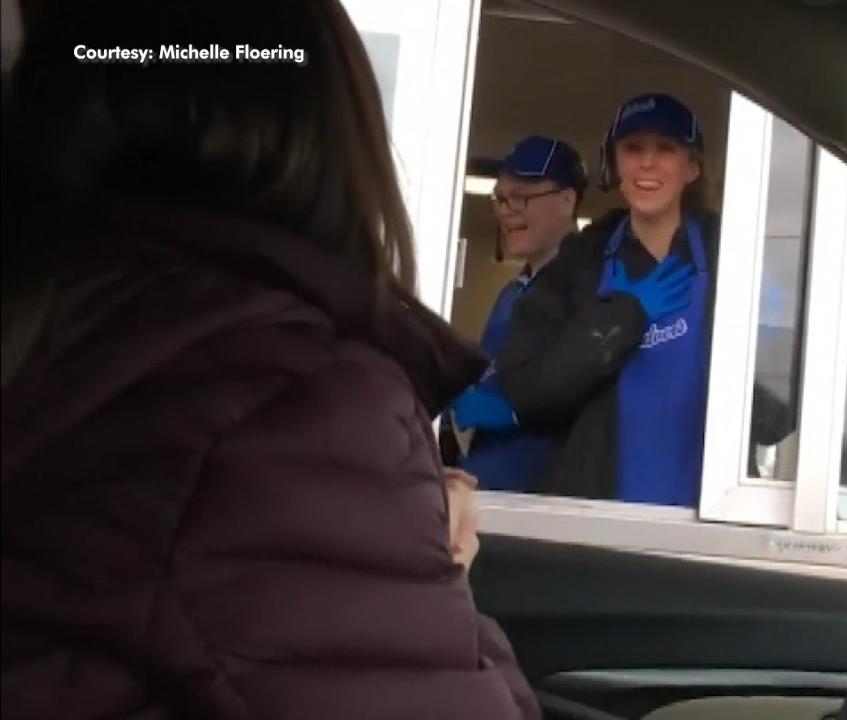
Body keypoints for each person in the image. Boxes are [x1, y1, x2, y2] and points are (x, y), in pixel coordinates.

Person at [0, 1, 537, 718]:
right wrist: (449, 580)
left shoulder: (54, 331)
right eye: (504, 194)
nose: (511, 208)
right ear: (330, 133)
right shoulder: (292, 407)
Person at [494, 93, 723, 506]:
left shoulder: (731, 255)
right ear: (614, 163)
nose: (647, 163)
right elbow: (527, 397)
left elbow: (777, 410)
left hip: (705, 522)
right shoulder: (578, 264)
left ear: (691, 167)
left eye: (666, 149)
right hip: (595, 521)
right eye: (633, 148)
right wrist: (620, 318)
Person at [449, 136, 587, 492]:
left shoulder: (594, 287)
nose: (505, 209)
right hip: (485, 492)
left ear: (567, 200)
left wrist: (512, 411)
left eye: (521, 197)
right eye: (500, 198)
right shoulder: (512, 292)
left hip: (540, 507)